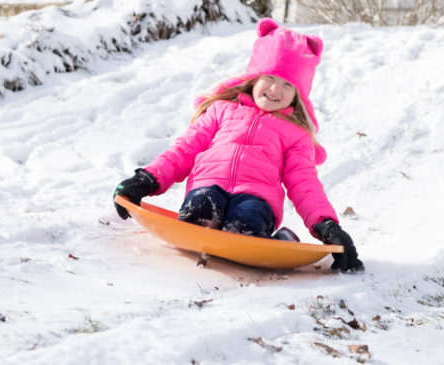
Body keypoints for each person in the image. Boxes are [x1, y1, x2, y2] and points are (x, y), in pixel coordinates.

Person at [114, 18, 364, 272]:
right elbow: (184, 150)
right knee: (201, 206)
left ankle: (272, 239)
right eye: (269, 77)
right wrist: (146, 179)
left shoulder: (295, 135)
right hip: (207, 186)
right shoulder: (220, 111)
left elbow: (305, 183)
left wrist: (328, 226)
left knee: (246, 221)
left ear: (298, 95)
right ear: (254, 78)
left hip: (256, 199)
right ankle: (207, 223)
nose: (276, 88)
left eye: (288, 84)